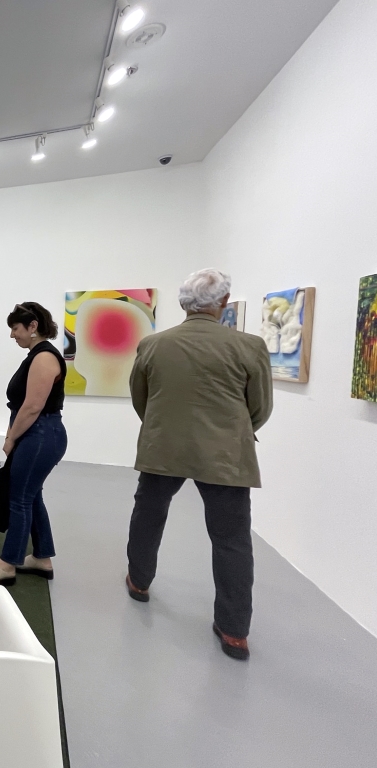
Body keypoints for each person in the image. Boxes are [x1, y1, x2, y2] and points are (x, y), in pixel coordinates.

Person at [125, 268, 273, 661]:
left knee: (148, 516)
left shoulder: (153, 344)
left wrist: (162, 427)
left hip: (163, 448)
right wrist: (231, 431)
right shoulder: (250, 346)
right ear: (223, 302)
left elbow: (141, 398)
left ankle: (139, 582)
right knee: (232, 539)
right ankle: (234, 631)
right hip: (225, 455)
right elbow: (259, 407)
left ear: (183, 303)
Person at [0, 303, 68, 587]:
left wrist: (11, 438)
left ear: (33, 326)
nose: (12, 335)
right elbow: (22, 406)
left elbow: (33, 406)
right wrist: (12, 434)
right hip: (37, 434)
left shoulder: (44, 357)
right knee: (31, 495)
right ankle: (42, 557)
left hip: (40, 435)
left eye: (15, 328)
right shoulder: (37, 355)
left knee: (20, 498)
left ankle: (8, 563)